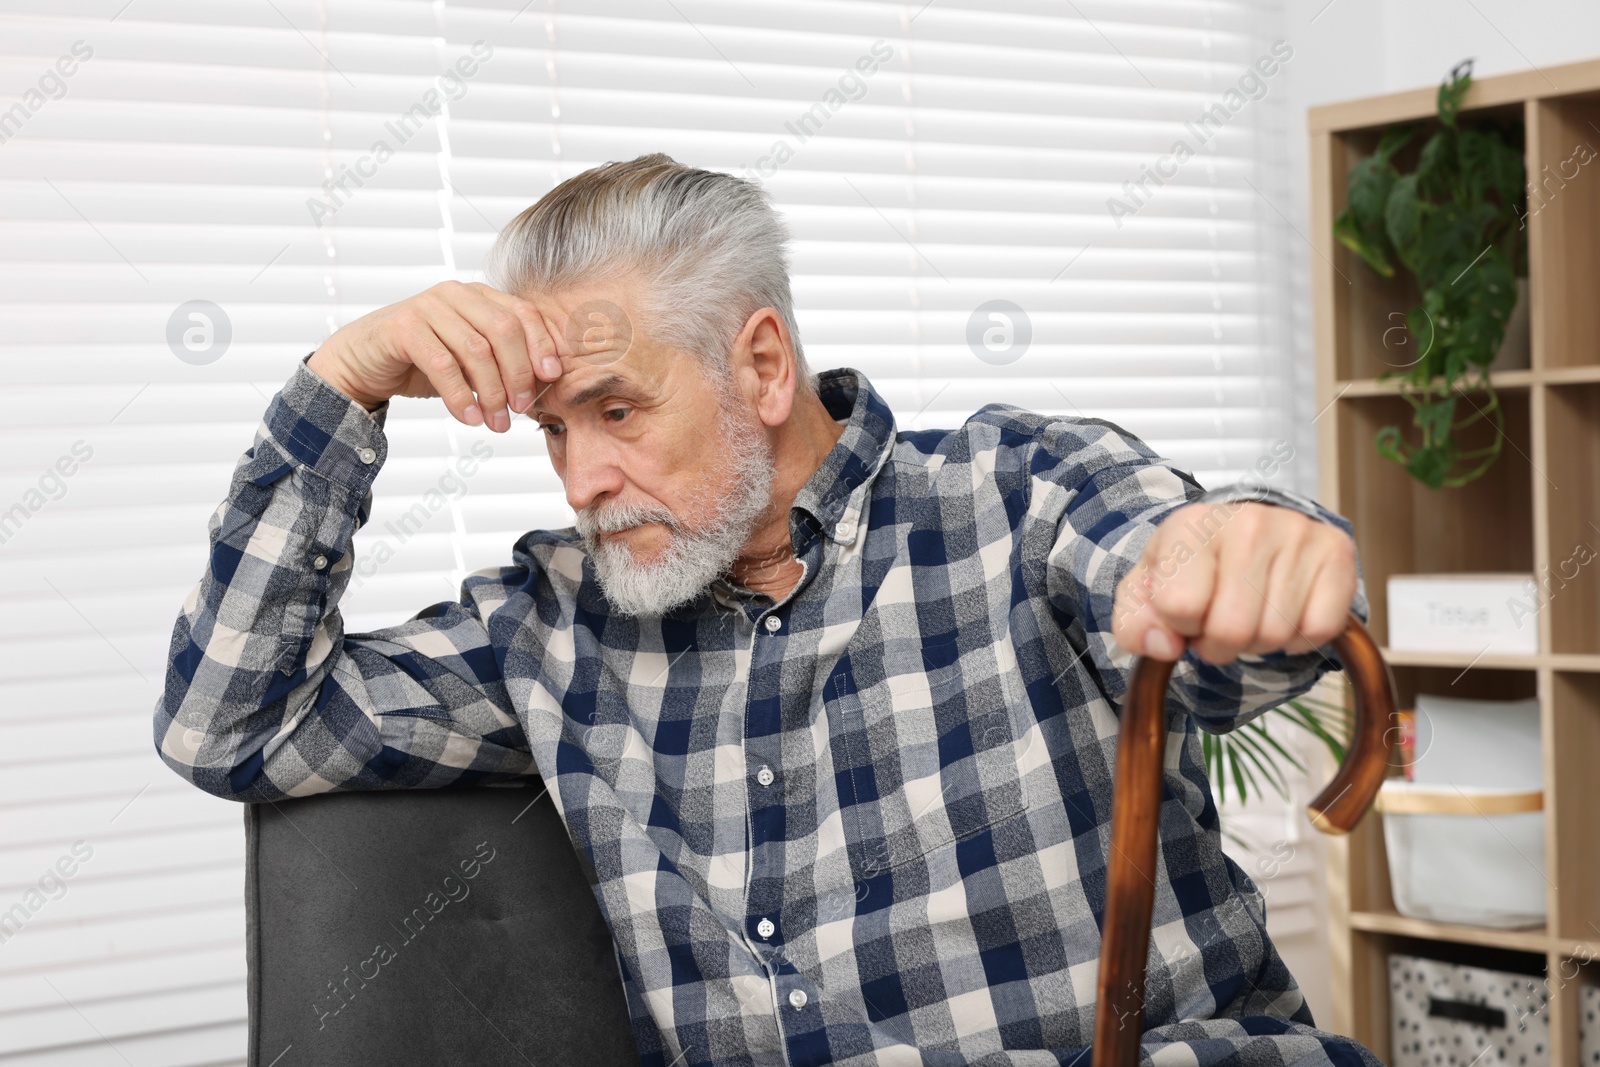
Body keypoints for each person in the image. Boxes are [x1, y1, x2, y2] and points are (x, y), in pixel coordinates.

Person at [154, 153, 1378, 1067]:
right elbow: (231, 722)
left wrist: (1252, 557)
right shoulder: (551, 619)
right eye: (555, 430)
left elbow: (1196, 593)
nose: (582, 479)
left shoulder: (1022, 493)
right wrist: (345, 382)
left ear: (762, 364)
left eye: (617, 411)